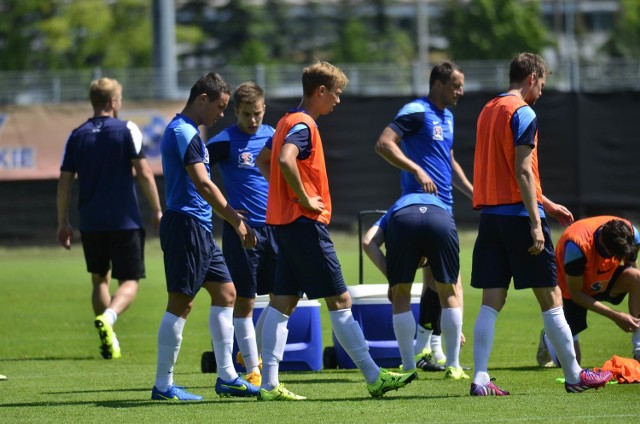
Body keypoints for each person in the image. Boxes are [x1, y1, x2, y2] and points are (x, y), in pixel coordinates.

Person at [256, 61, 416, 401]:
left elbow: (263, 159)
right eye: (336, 93)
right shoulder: (303, 124)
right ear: (320, 91)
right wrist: (302, 197)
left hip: (284, 224)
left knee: (282, 301)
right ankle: (374, 377)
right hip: (303, 224)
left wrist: (285, 195)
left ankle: (268, 384)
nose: (338, 101)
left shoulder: (285, 120)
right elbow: (284, 159)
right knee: (340, 300)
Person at [470, 52, 613, 396]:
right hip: (520, 219)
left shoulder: (488, 109)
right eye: (543, 84)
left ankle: (480, 379)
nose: (542, 93)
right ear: (532, 77)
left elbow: (509, 170)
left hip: (490, 219)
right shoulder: (523, 112)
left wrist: (546, 204)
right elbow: (520, 170)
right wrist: (536, 222)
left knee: (492, 301)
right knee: (551, 298)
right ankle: (575, 375)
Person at [151, 72, 259, 402]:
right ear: (202, 99)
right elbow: (203, 183)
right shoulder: (183, 132)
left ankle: (227, 376)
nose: (221, 114)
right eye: (220, 106)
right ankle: (163, 385)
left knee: (226, 293)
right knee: (181, 304)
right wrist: (234, 218)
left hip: (198, 227)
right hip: (185, 225)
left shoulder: (189, 132)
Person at [374, 61, 473, 379]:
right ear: (438, 84)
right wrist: (415, 169)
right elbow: (384, 143)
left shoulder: (448, 116)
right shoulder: (416, 110)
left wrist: (473, 193)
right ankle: (433, 350)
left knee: (437, 282)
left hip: (444, 208)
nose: (461, 91)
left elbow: (449, 159)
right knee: (447, 284)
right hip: (417, 210)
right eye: (456, 85)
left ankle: (430, 349)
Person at [57, 77, 162, 360]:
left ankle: (109, 339)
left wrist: (63, 222)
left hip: (90, 222)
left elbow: (64, 182)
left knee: (99, 280)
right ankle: (110, 318)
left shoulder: (76, 135)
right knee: (130, 281)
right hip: (124, 220)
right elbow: (143, 171)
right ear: (114, 102)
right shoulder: (126, 129)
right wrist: (156, 208)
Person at [206, 82, 277, 387]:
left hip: (275, 228)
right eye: (246, 114)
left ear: (264, 110)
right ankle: (253, 368)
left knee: (283, 299)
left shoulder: (274, 136)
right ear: (235, 111)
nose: (252, 120)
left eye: (257, 114)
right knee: (245, 301)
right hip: (243, 231)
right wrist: (230, 215)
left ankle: (257, 355)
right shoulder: (222, 143)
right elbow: (198, 177)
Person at [362, 192, 465, 380]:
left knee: (401, 296)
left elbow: (368, 241)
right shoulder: (442, 207)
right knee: (448, 293)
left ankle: (409, 368)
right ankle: (453, 366)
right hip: (439, 219)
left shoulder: (391, 212)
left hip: (404, 219)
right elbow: (456, 287)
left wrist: (394, 280)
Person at [536, 216, 640, 367]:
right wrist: (616, 316)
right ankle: (549, 336)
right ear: (603, 243)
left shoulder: (631, 235)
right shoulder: (576, 247)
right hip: (572, 289)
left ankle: (638, 349)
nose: (616, 259)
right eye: (614, 255)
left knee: (637, 278)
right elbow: (576, 294)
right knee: (570, 361)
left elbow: (632, 270)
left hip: (604, 278)